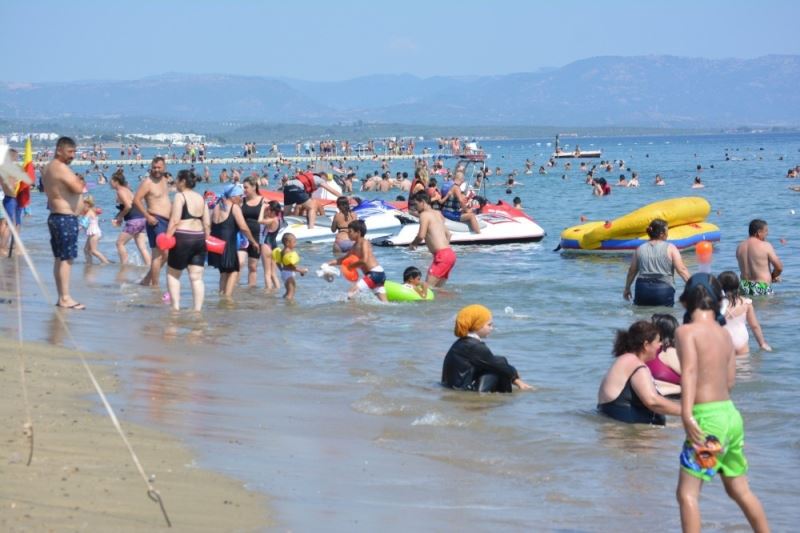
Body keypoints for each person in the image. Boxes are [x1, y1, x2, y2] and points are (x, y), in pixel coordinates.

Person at [675, 273, 770, 533]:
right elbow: (729, 382)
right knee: (739, 489)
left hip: (707, 423)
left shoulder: (685, 332)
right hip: (731, 417)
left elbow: (690, 371)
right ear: (718, 301)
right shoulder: (724, 335)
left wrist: (686, 415)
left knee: (687, 494)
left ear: (685, 301)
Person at [597, 320, 681, 425]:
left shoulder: (625, 360)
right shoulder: (637, 366)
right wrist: (687, 412)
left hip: (614, 428)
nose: (660, 345)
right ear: (646, 345)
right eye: (658, 341)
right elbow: (652, 401)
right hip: (628, 435)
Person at [441, 304, 532, 393]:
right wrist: (516, 378)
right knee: (498, 370)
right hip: (461, 391)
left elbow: (495, 361)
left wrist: (512, 373)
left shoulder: (462, 342)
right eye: (489, 325)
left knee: (500, 360)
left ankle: (500, 397)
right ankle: (500, 399)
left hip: (451, 387)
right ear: (477, 325)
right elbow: (498, 366)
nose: (492, 328)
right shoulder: (475, 346)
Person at [42, 137, 86, 309]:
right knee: (66, 259)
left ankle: (62, 297)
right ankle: (66, 297)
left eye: (74, 152)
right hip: (65, 217)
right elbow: (77, 188)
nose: (73, 156)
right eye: (70, 152)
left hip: (55, 216)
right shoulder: (60, 168)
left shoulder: (47, 168)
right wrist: (80, 182)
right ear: (59, 150)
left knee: (59, 258)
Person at [164, 169, 210, 311]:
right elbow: (207, 223)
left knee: (173, 274)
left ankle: (176, 308)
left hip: (183, 237)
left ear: (183, 181)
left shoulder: (180, 196)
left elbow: (175, 220)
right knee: (196, 278)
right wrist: (206, 240)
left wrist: (166, 239)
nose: (175, 182)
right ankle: (197, 310)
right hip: (199, 238)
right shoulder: (201, 198)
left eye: (177, 180)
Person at [624, 219, 691, 306]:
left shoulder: (640, 248)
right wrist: (694, 285)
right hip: (663, 290)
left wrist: (627, 288)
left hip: (642, 290)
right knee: (664, 317)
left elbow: (631, 271)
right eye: (667, 230)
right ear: (662, 234)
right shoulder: (671, 248)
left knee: (642, 317)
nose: (668, 233)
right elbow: (681, 270)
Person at [207, 183, 259, 296]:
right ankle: (227, 298)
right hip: (227, 244)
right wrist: (253, 241)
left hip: (216, 244)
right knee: (234, 271)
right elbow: (243, 227)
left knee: (224, 272)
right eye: (240, 196)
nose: (241, 199)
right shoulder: (233, 207)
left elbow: (209, 225)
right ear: (233, 196)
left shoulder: (217, 206)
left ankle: (221, 295)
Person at [133, 156, 172, 287]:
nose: (156, 170)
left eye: (159, 167)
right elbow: (136, 200)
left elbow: (165, 199)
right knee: (158, 254)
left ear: (164, 167)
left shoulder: (165, 180)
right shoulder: (147, 182)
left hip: (167, 221)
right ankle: (155, 286)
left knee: (166, 255)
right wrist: (147, 216)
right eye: (154, 167)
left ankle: (147, 280)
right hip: (155, 220)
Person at [327, 219, 387, 302]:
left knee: (350, 293)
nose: (348, 234)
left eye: (350, 231)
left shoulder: (364, 242)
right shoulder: (354, 246)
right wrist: (329, 263)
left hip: (375, 273)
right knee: (384, 304)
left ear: (358, 232)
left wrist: (351, 266)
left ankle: (355, 313)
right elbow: (342, 260)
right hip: (377, 274)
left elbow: (365, 260)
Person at [409, 191, 455, 294]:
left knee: (427, 289)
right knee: (436, 290)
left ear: (423, 202)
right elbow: (448, 234)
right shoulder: (437, 213)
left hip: (442, 256)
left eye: (416, 204)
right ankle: (449, 303)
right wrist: (443, 251)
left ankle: (454, 298)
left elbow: (421, 235)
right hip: (450, 254)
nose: (416, 208)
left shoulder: (424, 215)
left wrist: (413, 244)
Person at [718, 271, 771, 354]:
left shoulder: (714, 304)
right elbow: (754, 326)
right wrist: (762, 343)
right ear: (737, 285)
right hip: (741, 341)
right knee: (744, 364)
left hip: (721, 342)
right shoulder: (746, 303)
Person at [110, 170, 151, 266]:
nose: (109, 183)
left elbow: (128, 206)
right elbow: (134, 204)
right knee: (142, 247)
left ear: (116, 181)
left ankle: (124, 266)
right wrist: (118, 216)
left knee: (119, 244)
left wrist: (120, 217)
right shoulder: (127, 189)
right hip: (141, 219)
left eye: (111, 181)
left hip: (134, 221)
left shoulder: (120, 191)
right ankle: (149, 267)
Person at [736, 219, 782, 296]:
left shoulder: (740, 247)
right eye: (766, 231)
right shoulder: (765, 245)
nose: (767, 234)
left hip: (744, 287)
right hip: (761, 287)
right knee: (774, 306)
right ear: (759, 232)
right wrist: (772, 276)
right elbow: (779, 267)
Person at [645, 314, 682, 397]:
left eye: (651, 327)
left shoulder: (670, 352)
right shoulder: (652, 350)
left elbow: (694, 381)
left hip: (671, 396)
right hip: (659, 394)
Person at [240, 177, 264, 288]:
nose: (244, 190)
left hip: (257, 237)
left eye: (246, 187)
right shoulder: (242, 200)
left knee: (253, 266)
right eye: (243, 187)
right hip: (242, 237)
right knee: (239, 263)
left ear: (254, 187)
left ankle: (251, 290)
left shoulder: (263, 201)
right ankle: (235, 288)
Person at [274, 233, 308, 300]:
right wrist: (301, 270)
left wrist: (281, 270)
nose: (295, 244)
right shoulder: (287, 252)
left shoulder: (283, 251)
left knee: (288, 291)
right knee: (291, 292)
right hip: (288, 274)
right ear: (287, 243)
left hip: (285, 273)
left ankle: (284, 302)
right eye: (294, 242)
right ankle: (289, 305)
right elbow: (290, 267)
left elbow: (278, 263)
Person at [258, 200, 282, 291]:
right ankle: (277, 290)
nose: (266, 211)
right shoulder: (278, 219)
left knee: (267, 273)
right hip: (275, 247)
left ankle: (268, 292)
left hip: (266, 246)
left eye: (268, 210)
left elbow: (260, 220)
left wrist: (262, 208)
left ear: (272, 211)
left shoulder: (271, 220)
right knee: (273, 274)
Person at [81, 195, 111, 264]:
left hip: (94, 233)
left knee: (93, 250)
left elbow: (84, 222)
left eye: (82, 205)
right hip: (93, 233)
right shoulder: (92, 210)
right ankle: (89, 262)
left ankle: (106, 262)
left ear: (87, 204)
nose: (81, 207)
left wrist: (78, 228)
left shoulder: (89, 212)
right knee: (86, 250)